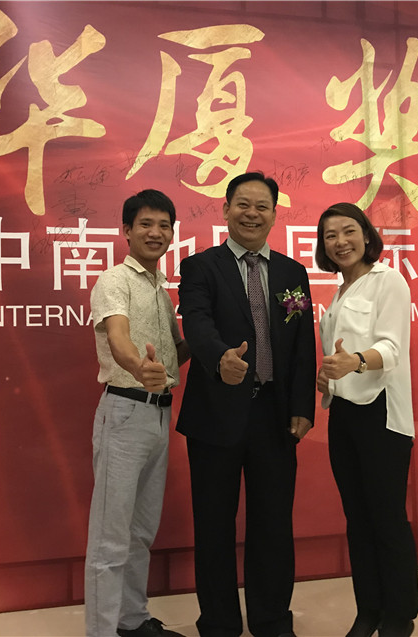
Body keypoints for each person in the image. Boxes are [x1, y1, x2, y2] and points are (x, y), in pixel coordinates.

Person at [177, 172, 316, 637]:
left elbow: (301, 343)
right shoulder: (200, 267)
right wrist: (220, 358)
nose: (252, 214)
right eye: (243, 204)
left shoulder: (292, 274)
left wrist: (302, 406)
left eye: (262, 206)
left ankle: (272, 620)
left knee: (273, 525)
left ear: (274, 214)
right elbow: (196, 323)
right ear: (225, 209)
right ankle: (218, 624)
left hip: (274, 416)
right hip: (215, 414)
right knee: (213, 527)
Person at [85, 189, 190, 637]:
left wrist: (214, 331)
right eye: (146, 224)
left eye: (164, 225)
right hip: (125, 413)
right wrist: (138, 368)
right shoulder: (115, 280)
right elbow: (119, 338)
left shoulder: (161, 291)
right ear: (126, 231)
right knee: (110, 538)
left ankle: (131, 620)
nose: (156, 233)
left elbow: (175, 353)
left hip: (160, 415)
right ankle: (102, 630)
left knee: (141, 531)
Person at [315, 203, 418, 637]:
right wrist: (327, 377)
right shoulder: (340, 292)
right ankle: (369, 610)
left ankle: (399, 614)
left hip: (382, 414)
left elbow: (392, 349)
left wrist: (355, 361)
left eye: (348, 231)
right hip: (343, 415)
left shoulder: (387, 280)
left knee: (386, 517)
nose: (340, 242)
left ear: (366, 235)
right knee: (357, 519)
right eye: (330, 236)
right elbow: (336, 358)